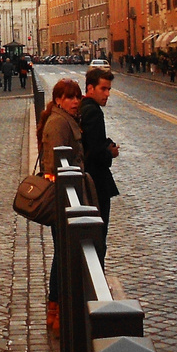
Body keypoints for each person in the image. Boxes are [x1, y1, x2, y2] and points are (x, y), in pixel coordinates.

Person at [39, 78, 85, 334]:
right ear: (58, 100)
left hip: (66, 194)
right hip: (63, 196)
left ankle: (54, 310)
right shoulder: (58, 122)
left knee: (63, 253)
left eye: (77, 97)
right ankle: (56, 312)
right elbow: (57, 164)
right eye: (69, 97)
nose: (75, 101)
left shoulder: (63, 119)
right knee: (62, 255)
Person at [79, 67, 119, 266]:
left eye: (109, 89)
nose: (107, 94)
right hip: (95, 183)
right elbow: (94, 151)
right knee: (98, 237)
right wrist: (109, 152)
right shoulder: (93, 112)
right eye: (103, 89)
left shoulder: (84, 108)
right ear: (90, 88)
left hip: (89, 180)